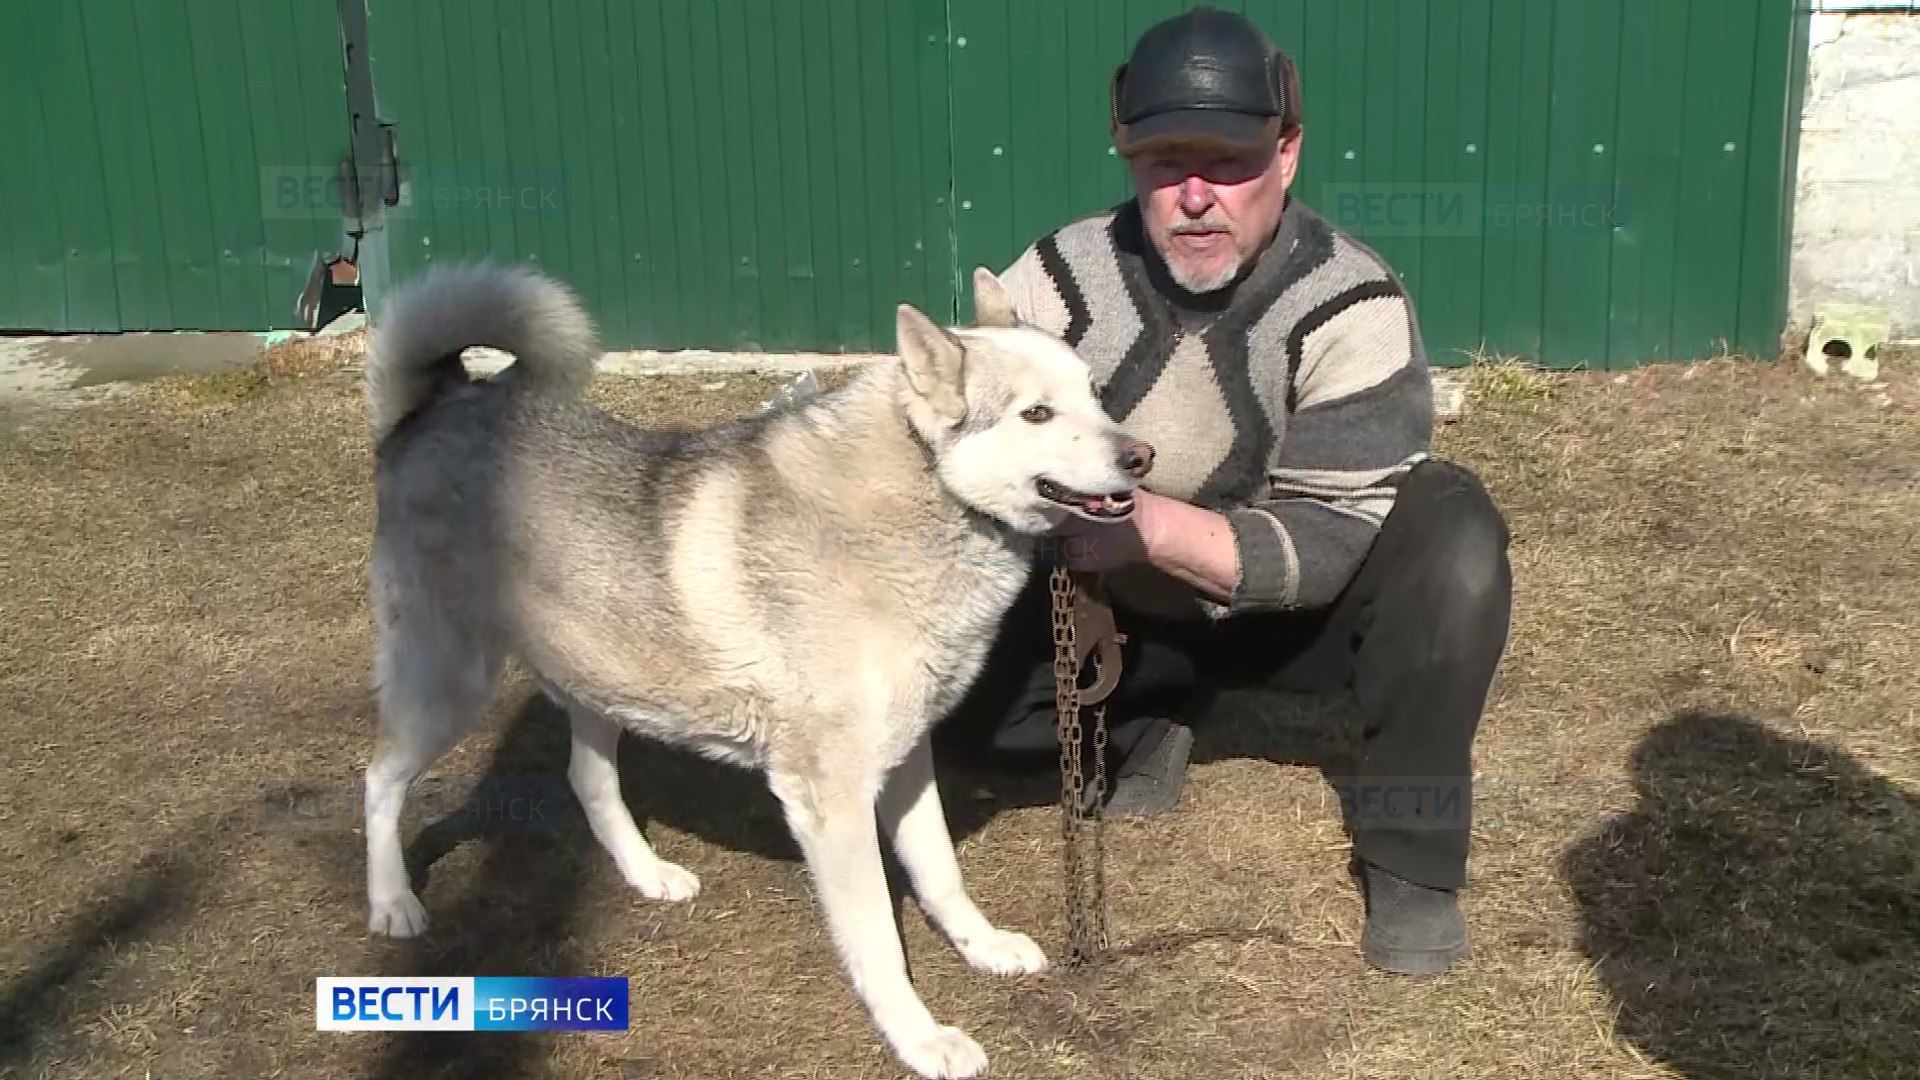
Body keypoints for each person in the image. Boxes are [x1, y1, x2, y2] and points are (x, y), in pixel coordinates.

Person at [940, 6, 1514, 976]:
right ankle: (1148, 717)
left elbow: (1333, 538)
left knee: (1456, 535)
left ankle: (1414, 851)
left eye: (1230, 162)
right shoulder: (1055, 286)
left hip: (1305, 617)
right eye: (1168, 162)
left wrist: (1148, 526)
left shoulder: (1354, 300)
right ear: (1129, 157)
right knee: (953, 703)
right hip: (1123, 614)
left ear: (1287, 153)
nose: (1196, 194)